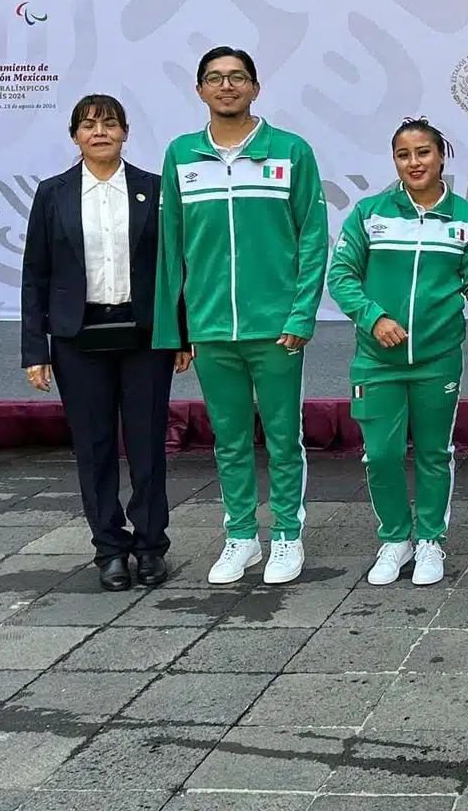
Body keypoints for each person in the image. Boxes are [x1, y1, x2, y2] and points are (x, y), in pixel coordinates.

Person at [153, 47, 330, 587]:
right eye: (215, 78)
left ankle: (285, 536)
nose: (226, 86)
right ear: (200, 90)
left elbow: (313, 239)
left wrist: (301, 316)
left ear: (255, 87)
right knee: (228, 439)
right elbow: (170, 249)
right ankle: (239, 537)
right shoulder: (181, 155)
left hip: (276, 330)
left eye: (237, 78)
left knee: (282, 437)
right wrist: (176, 330)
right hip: (209, 329)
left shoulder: (291, 152)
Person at [20, 94, 192, 591]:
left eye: (110, 124)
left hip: (145, 337)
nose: (100, 133)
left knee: (147, 446)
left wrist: (178, 333)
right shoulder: (52, 194)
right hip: (77, 338)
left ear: (125, 132)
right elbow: (36, 275)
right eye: (89, 125)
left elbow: (173, 267)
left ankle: (151, 544)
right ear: (74, 135)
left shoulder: (154, 190)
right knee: (93, 448)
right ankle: (110, 550)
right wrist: (36, 349)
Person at [327, 118, 468, 587]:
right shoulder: (370, 214)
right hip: (376, 361)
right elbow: (341, 277)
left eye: (423, 152)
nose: (414, 162)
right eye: (404, 154)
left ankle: (430, 540)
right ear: (394, 160)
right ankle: (395, 539)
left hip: (438, 360)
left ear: (442, 156)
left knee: (435, 453)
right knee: (380, 455)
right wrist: (374, 317)